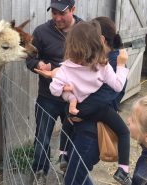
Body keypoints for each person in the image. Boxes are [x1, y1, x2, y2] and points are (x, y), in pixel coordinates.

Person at [48, 20, 130, 185]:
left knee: (73, 179)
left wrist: (66, 90)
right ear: (97, 42)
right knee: (124, 132)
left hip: (90, 129)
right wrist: (121, 66)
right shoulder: (104, 66)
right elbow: (118, 85)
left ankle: (62, 153)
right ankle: (123, 169)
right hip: (98, 115)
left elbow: (54, 90)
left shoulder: (65, 69)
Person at [25, 0, 82, 184]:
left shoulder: (84, 31)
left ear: (73, 9)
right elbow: (30, 58)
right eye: (54, 13)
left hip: (74, 98)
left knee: (73, 135)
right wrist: (39, 64)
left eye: (62, 13)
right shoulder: (41, 32)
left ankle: (69, 171)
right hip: (47, 96)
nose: (57, 18)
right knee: (42, 136)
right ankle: (40, 171)